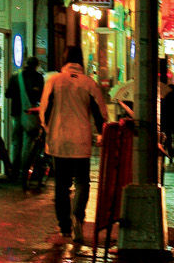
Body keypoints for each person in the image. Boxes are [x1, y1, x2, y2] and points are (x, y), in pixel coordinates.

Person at [38, 46, 107, 248]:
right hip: (81, 141)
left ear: (64, 59)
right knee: (82, 182)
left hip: (59, 141)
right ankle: (78, 215)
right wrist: (101, 134)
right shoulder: (88, 83)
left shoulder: (54, 81)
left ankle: (64, 226)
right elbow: (100, 113)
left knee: (61, 185)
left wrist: (48, 129)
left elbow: (45, 111)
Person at [6, 54, 46, 179]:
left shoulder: (15, 77)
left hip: (16, 114)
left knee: (16, 142)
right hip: (31, 114)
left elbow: (8, 94)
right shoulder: (39, 78)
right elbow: (42, 97)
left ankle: (15, 172)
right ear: (36, 66)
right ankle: (25, 172)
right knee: (28, 143)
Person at [160, 68, 174, 168]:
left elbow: (162, 111)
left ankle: (170, 153)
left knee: (168, 139)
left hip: (168, 122)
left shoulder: (164, 100)